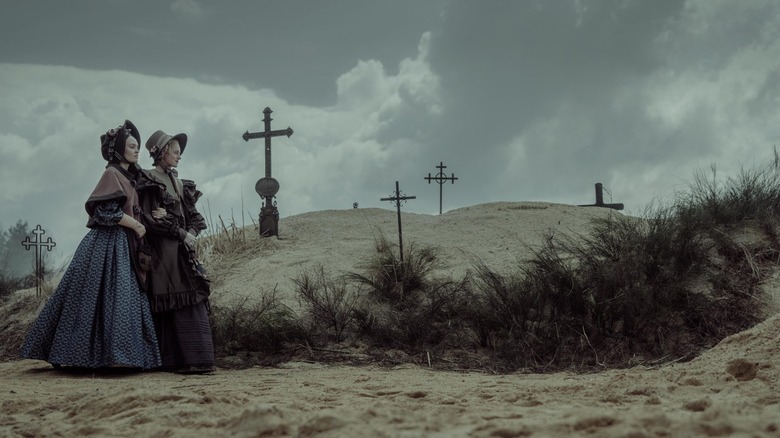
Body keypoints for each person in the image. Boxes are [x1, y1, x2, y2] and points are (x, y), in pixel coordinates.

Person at [20, 120, 161, 370]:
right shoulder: (112, 174)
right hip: (108, 244)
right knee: (98, 299)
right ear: (118, 150)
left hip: (126, 245)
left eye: (138, 146)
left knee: (123, 300)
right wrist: (136, 225)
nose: (137, 150)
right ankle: (87, 356)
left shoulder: (130, 176)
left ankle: (121, 357)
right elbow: (104, 211)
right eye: (132, 146)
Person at [138, 129, 214, 374]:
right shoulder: (149, 180)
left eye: (179, 152)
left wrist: (189, 233)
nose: (179, 155)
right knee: (173, 294)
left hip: (181, 249)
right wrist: (181, 232)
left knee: (192, 292)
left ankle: (198, 358)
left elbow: (193, 217)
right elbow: (152, 220)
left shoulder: (179, 182)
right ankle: (176, 360)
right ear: (161, 153)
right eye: (175, 151)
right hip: (163, 251)